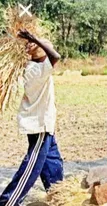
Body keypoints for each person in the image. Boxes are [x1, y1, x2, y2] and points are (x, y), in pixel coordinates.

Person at [0, 29, 63, 205]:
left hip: (46, 125)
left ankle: (59, 196)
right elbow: (56, 56)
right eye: (40, 45)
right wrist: (34, 39)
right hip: (40, 126)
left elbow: (51, 53)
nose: (44, 45)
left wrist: (36, 41)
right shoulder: (35, 70)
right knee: (31, 167)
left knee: (53, 164)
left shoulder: (39, 66)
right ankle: (7, 201)